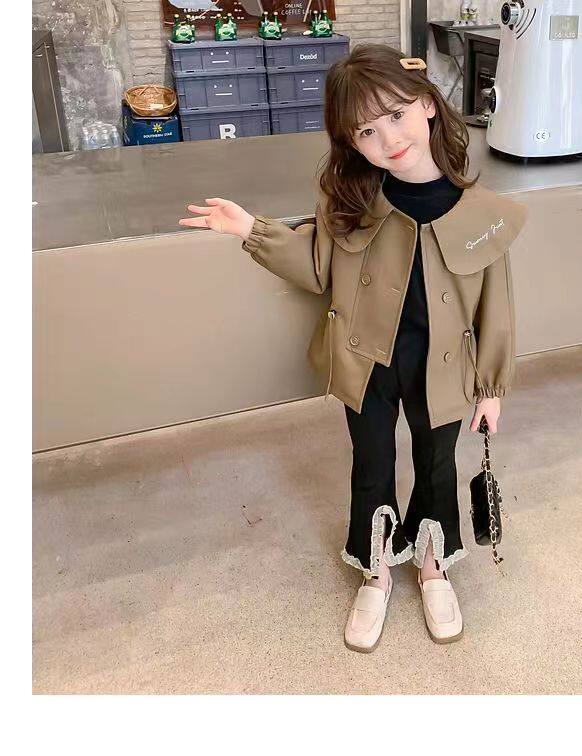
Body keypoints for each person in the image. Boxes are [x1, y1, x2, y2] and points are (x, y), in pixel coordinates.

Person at [179, 44, 528, 653]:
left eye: (396, 115)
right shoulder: (354, 205)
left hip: (445, 369)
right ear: (352, 143)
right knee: (371, 464)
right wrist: (250, 229)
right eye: (366, 131)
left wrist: (492, 388)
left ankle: (433, 567)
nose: (388, 139)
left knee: (438, 465)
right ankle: (376, 570)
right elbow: (316, 266)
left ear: (426, 105)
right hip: (367, 363)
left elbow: (496, 305)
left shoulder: (483, 214)